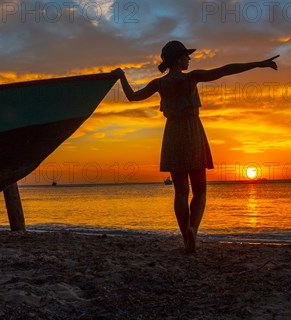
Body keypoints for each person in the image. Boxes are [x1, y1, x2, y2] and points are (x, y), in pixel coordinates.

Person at [113, 41, 278, 253]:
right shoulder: (191, 77)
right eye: (187, 56)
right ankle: (193, 229)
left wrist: (121, 76)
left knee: (180, 192)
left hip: (172, 134)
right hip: (192, 133)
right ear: (179, 59)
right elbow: (226, 70)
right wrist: (259, 63)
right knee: (200, 191)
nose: (190, 59)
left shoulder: (159, 84)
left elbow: (132, 97)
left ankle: (185, 238)